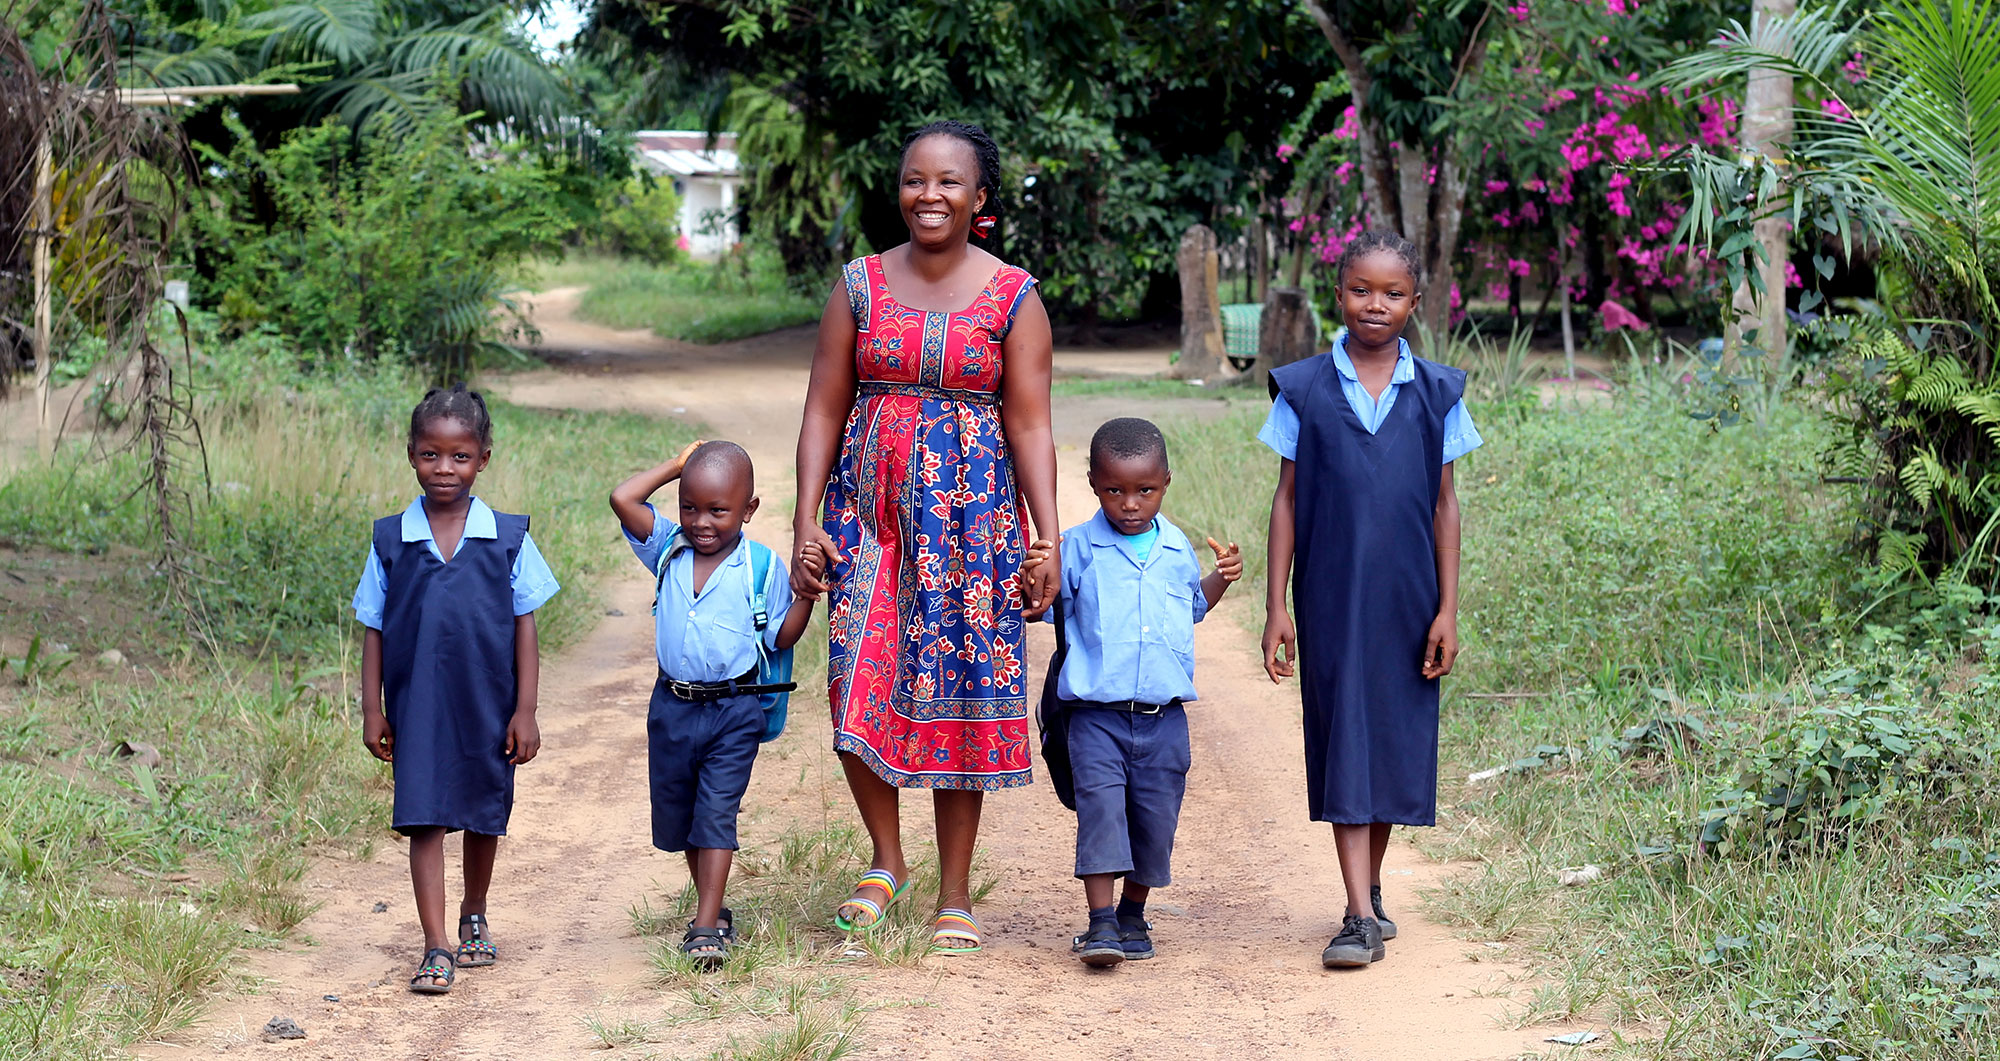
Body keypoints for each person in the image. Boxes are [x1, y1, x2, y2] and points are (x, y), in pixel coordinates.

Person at [791, 119, 1061, 955]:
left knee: (961, 691)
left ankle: (954, 891)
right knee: (855, 676)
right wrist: (805, 516)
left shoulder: (1013, 294)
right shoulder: (860, 285)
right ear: (898, 188)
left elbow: (1030, 423)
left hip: (973, 528)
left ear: (979, 198)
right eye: (915, 179)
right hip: (867, 518)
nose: (929, 195)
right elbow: (824, 408)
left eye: (950, 182)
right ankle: (886, 860)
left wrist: (1044, 538)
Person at [1258, 230, 1483, 969]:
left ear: (1416, 302)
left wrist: (1448, 609)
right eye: (1360, 289)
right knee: (1343, 736)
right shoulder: (1305, 386)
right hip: (1330, 596)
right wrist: (1276, 606)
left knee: (1389, 741)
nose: (1374, 305)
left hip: (1411, 598)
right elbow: (1286, 501)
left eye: (1392, 293)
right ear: (1339, 294)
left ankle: (1371, 885)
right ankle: (1358, 915)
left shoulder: (1440, 391)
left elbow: (1445, 506)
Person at [353, 384, 560, 995]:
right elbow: (373, 628)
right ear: (411, 454)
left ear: (483, 458)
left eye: (460, 456)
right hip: (416, 706)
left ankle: (474, 912)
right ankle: (435, 944)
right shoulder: (391, 540)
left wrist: (525, 709)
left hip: (487, 702)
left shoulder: (508, 537)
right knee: (423, 818)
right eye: (431, 455)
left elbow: (525, 626)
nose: (445, 469)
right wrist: (373, 709)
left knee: (481, 812)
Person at [1023, 418, 1241, 968]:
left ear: (1165, 482)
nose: (1130, 503)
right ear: (1094, 482)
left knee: (1155, 819)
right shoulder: (1073, 548)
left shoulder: (1176, 550)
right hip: (1095, 716)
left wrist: (1221, 578)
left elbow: (1191, 610)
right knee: (1100, 813)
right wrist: (1032, 580)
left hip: (1164, 719)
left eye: (1145, 490)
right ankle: (1099, 924)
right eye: (1114, 489)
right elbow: (1041, 606)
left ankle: (1131, 915)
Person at [611, 439, 815, 969]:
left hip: (733, 710)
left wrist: (808, 598)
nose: (701, 521)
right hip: (672, 707)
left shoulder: (761, 568)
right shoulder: (668, 549)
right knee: (681, 817)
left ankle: (705, 924)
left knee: (716, 812)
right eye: (690, 506)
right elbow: (623, 498)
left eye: (719, 510)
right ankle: (714, 905)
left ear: (748, 510)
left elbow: (781, 638)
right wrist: (676, 465)